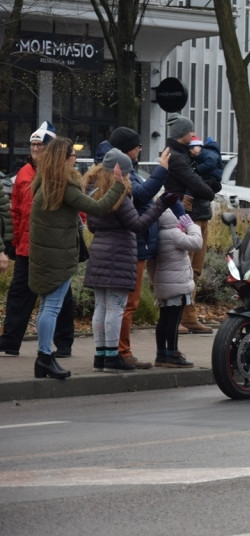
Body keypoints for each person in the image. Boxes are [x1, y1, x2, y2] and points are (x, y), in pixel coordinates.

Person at [29, 137, 128, 379]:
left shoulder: (44, 182)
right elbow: (99, 207)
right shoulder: (64, 185)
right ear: (65, 159)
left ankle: (43, 358)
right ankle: (44, 356)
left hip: (43, 254)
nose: (75, 158)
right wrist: (118, 184)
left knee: (45, 306)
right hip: (59, 256)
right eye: (72, 154)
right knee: (52, 307)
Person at [82, 148, 172, 372]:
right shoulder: (119, 197)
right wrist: (160, 205)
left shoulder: (93, 193)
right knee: (115, 308)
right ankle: (112, 357)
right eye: (129, 173)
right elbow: (138, 225)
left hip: (99, 255)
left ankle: (100, 355)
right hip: (118, 256)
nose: (131, 177)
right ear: (118, 173)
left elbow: (91, 226)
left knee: (100, 308)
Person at [0, 122, 76, 358]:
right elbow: (14, 210)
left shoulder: (61, 175)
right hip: (26, 246)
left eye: (39, 145)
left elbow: (77, 211)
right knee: (19, 295)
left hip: (53, 248)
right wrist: (11, 241)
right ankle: (10, 342)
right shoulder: (24, 173)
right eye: (32, 145)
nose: (34, 149)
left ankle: (63, 344)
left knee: (60, 298)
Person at [112, 126, 171, 369]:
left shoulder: (127, 171)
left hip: (135, 245)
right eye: (137, 146)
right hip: (133, 245)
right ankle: (121, 352)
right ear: (128, 149)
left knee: (119, 303)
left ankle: (112, 350)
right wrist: (162, 171)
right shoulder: (123, 176)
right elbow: (141, 198)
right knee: (128, 303)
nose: (140, 149)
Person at [162, 113, 217, 334]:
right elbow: (194, 182)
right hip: (187, 217)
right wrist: (209, 190)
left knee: (195, 270)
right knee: (182, 271)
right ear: (182, 134)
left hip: (199, 214)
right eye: (189, 131)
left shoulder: (188, 154)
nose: (193, 135)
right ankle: (177, 319)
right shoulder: (176, 156)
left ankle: (189, 316)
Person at [147, 205, 204, 367]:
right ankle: (173, 353)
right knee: (174, 320)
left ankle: (161, 354)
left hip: (163, 286)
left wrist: (156, 282)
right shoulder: (174, 234)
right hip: (178, 286)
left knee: (163, 319)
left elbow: (151, 265)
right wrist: (192, 226)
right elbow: (196, 243)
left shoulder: (156, 236)